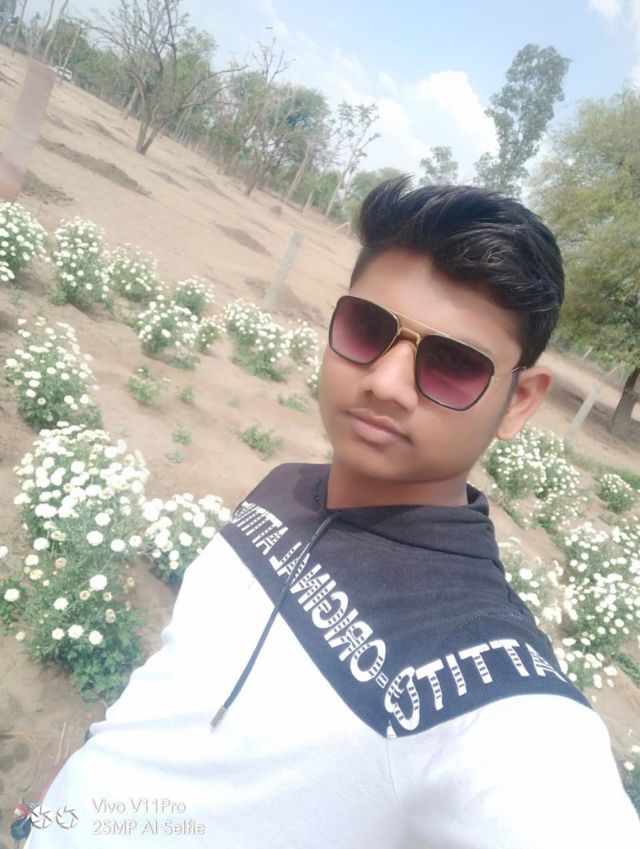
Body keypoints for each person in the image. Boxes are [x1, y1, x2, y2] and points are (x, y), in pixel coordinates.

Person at [25, 177, 640, 848]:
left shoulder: (485, 691)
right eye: (368, 328)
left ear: (519, 402)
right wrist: (75, 783)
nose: (385, 382)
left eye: (453, 364)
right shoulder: (284, 486)